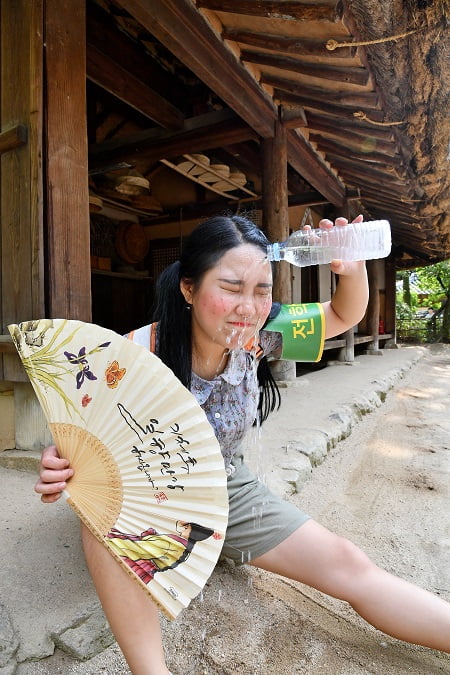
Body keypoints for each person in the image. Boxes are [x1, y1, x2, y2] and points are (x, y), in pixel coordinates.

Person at [36, 214, 450, 674]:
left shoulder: (258, 336)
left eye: (262, 289)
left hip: (227, 485)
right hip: (142, 498)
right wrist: (59, 463)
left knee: (347, 564)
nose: (248, 307)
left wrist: (350, 268)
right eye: (231, 287)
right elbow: (77, 437)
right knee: (102, 525)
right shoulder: (129, 358)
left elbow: (342, 314)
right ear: (188, 289)